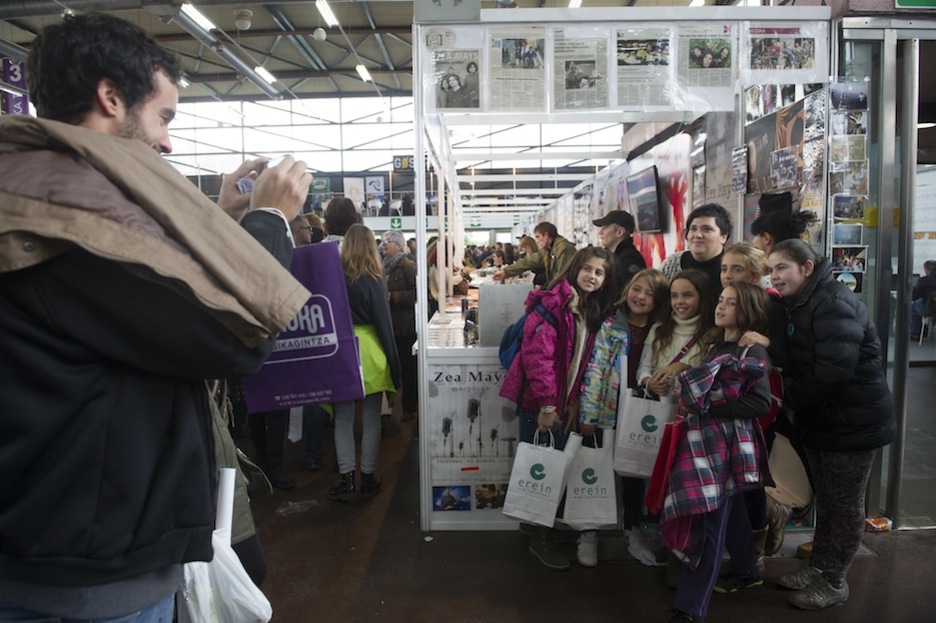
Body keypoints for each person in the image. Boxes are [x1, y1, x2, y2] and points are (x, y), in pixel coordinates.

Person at [0, 12, 311, 621]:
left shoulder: (30, 189)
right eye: (163, 116)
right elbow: (232, 337)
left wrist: (209, 223)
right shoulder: (78, 218)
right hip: (85, 570)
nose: (168, 141)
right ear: (110, 97)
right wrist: (269, 222)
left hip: (48, 540)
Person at [766, 239, 895, 611]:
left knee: (844, 506)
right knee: (828, 500)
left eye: (782, 268)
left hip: (853, 422)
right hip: (825, 419)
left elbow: (834, 371)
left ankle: (835, 580)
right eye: (772, 269)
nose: (775, 276)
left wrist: (790, 402)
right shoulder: (803, 301)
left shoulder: (831, 300)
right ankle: (819, 566)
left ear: (807, 268)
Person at [499, 247, 619, 570]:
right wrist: (548, 405)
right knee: (544, 469)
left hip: (565, 402)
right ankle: (540, 536)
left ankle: (539, 525)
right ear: (575, 268)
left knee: (555, 466)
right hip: (540, 403)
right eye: (588, 269)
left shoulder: (590, 308)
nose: (592, 276)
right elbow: (538, 359)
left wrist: (575, 399)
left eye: (600, 273)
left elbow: (580, 362)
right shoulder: (554, 304)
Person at [665, 281, 773, 623]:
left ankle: (690, 606)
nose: (721, 306)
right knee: (731, 508)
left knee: (709, 522)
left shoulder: (751, 351)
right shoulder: (720, 343)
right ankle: (746, 570)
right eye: (721, 300)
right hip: (713, 445)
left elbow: (760, 401)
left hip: (721, 448)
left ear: (749, 311)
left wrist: (710, 409)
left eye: (731, 303)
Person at [580, 268, 670, 562]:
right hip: (608, 410)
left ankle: (633, 531)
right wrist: (589, 415)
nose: (641, 297)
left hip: (645, 412)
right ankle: (588, 532)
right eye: (637, 289)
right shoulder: (610, 324)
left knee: (634, 474)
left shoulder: (662, 329)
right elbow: (595, 372)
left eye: (649, 294)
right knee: (595, 471)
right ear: (628, 289)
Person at [329, 224, 402, 502]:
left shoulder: (334, 278)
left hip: (342, 352)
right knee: (372, 420)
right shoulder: (374, 279)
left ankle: (346, 478)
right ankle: (368, 478)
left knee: (343, 418)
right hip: (371, 353)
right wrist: (395, 369)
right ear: (372, 246)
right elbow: (384, 325)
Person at [637, 269, 714, 399]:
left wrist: (682, 367)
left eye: (688, 295)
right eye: (674, 296)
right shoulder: (658, 329)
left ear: (702, 297)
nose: (679, 301)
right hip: (656, 407)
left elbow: (708, 376)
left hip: (687, 410)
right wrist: (649, 381)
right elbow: (644, 367)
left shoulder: (710, 335)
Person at [660, 203, 733, 307]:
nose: (697, 235)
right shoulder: (671, 264)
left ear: (723, 237)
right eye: (693, 229)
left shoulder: (733, 267)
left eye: (707, 229)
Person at [381, 230, 419, 423]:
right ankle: (386, 409)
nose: (384, 244)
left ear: (398, 245)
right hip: (388, 324)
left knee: (408, 368)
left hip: (405, 326)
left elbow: (417, 294)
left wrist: (393, 297)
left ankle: (409, 407)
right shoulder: (382, 266)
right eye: (384, 241)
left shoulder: (408, 266)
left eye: (388, 241)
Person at [493, 221, 576, 285]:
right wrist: (506, 272)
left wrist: (545, 289)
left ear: (546, 235)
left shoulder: (563, 248)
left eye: (538, 237)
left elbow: (562, 278)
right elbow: (528, 261)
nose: (536, 241)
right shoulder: (548, 250)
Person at [593, 209, 646, 286]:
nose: (600, 232)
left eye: (605, 227)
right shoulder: (613, 256)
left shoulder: (629, 258)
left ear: (620, 232)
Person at [911, 260, 936, 339]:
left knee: (912, 306)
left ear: (926, 269)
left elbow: (915, 295)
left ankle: (915, 332)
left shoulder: (925, 280)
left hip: (929, 308)